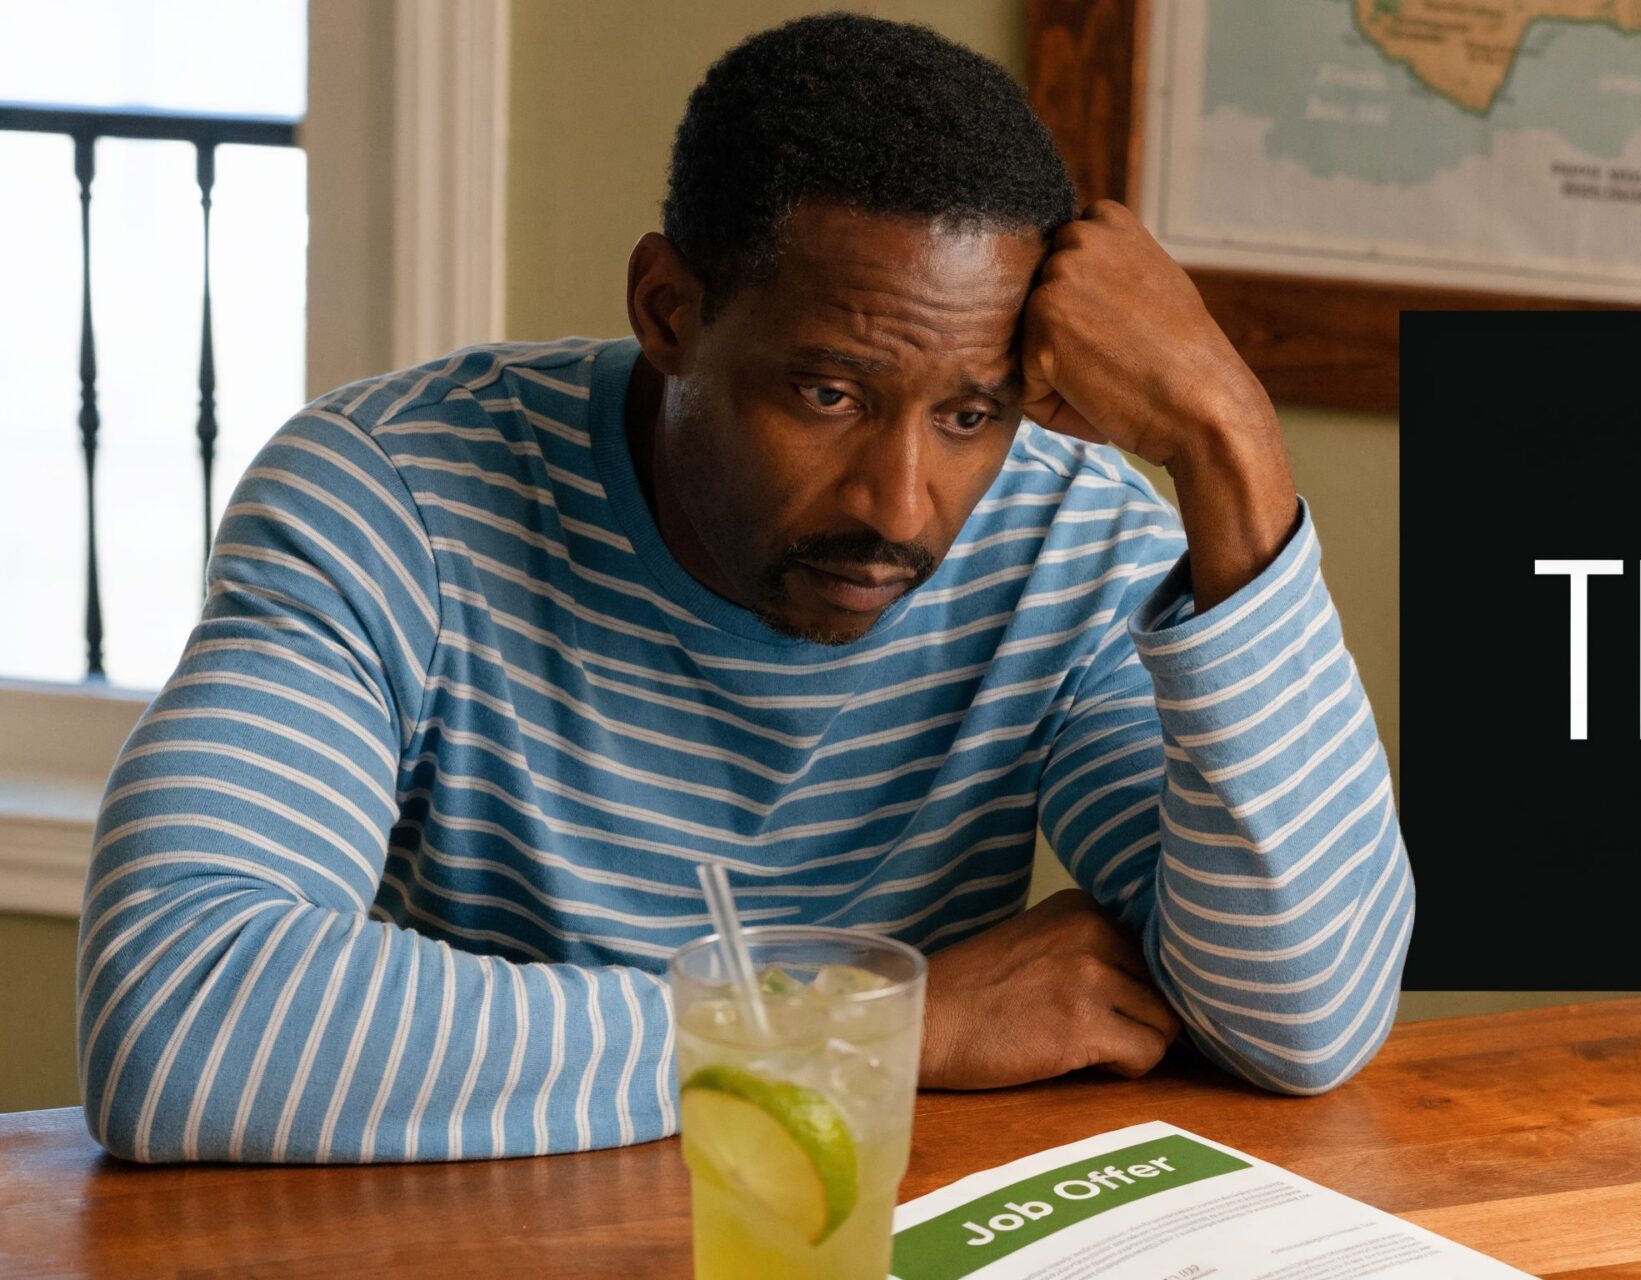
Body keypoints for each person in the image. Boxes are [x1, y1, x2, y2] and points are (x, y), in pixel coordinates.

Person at [75, 13, 1412, 1163]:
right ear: (668, 309)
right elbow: (181, 1016)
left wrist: (1231, 443)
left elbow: (1303, 1025)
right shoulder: (390, 503)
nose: (900, 504)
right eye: (828, 393)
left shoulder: (1062, 539)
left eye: (971, 414)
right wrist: (870, 1025)